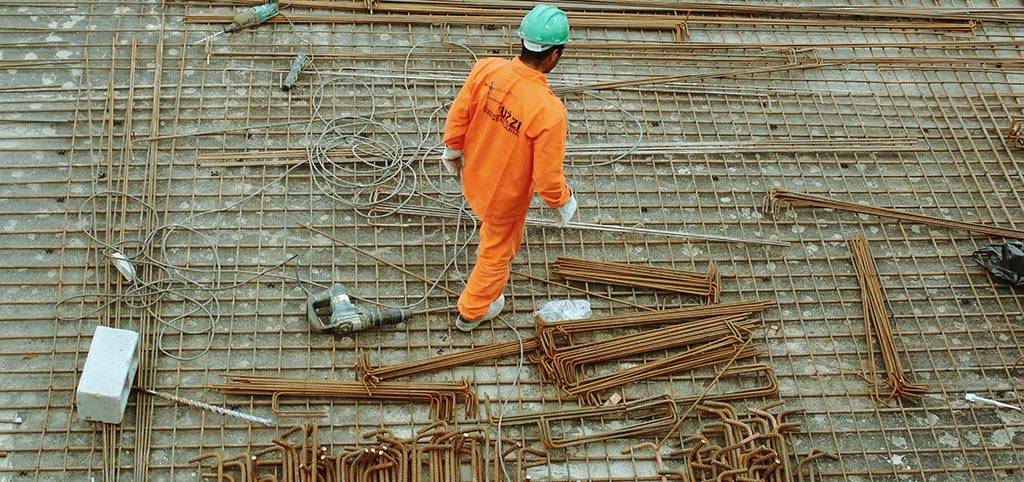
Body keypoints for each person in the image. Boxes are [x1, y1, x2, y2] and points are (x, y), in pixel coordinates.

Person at [441, 4, 577, 332]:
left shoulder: (486, 70)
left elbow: (459, 113)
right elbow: (547, 178)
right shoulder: (548, 111)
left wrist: (452, 148)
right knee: (497, 252)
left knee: (494, 237)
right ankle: (472, 310)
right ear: (554, 56)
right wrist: (563, 200)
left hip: (473, 175)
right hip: (503, 197)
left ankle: (478, 302)